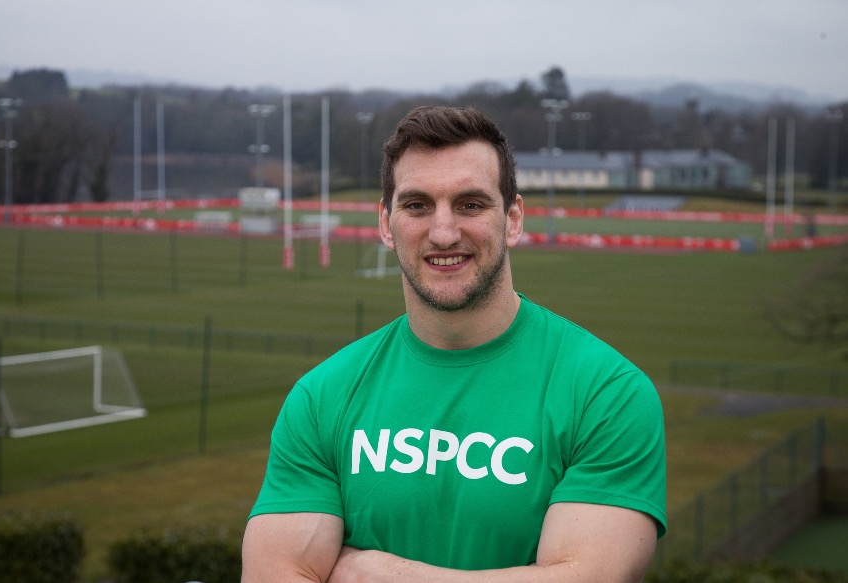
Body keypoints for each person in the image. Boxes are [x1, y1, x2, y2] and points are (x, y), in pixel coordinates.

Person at [242, 105, 667, 582]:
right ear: (385, 223)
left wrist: (375, 574)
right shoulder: (322, 397)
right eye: (417, 206)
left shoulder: (607, 394)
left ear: (513, 219)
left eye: (470, 205)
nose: (443, 233)